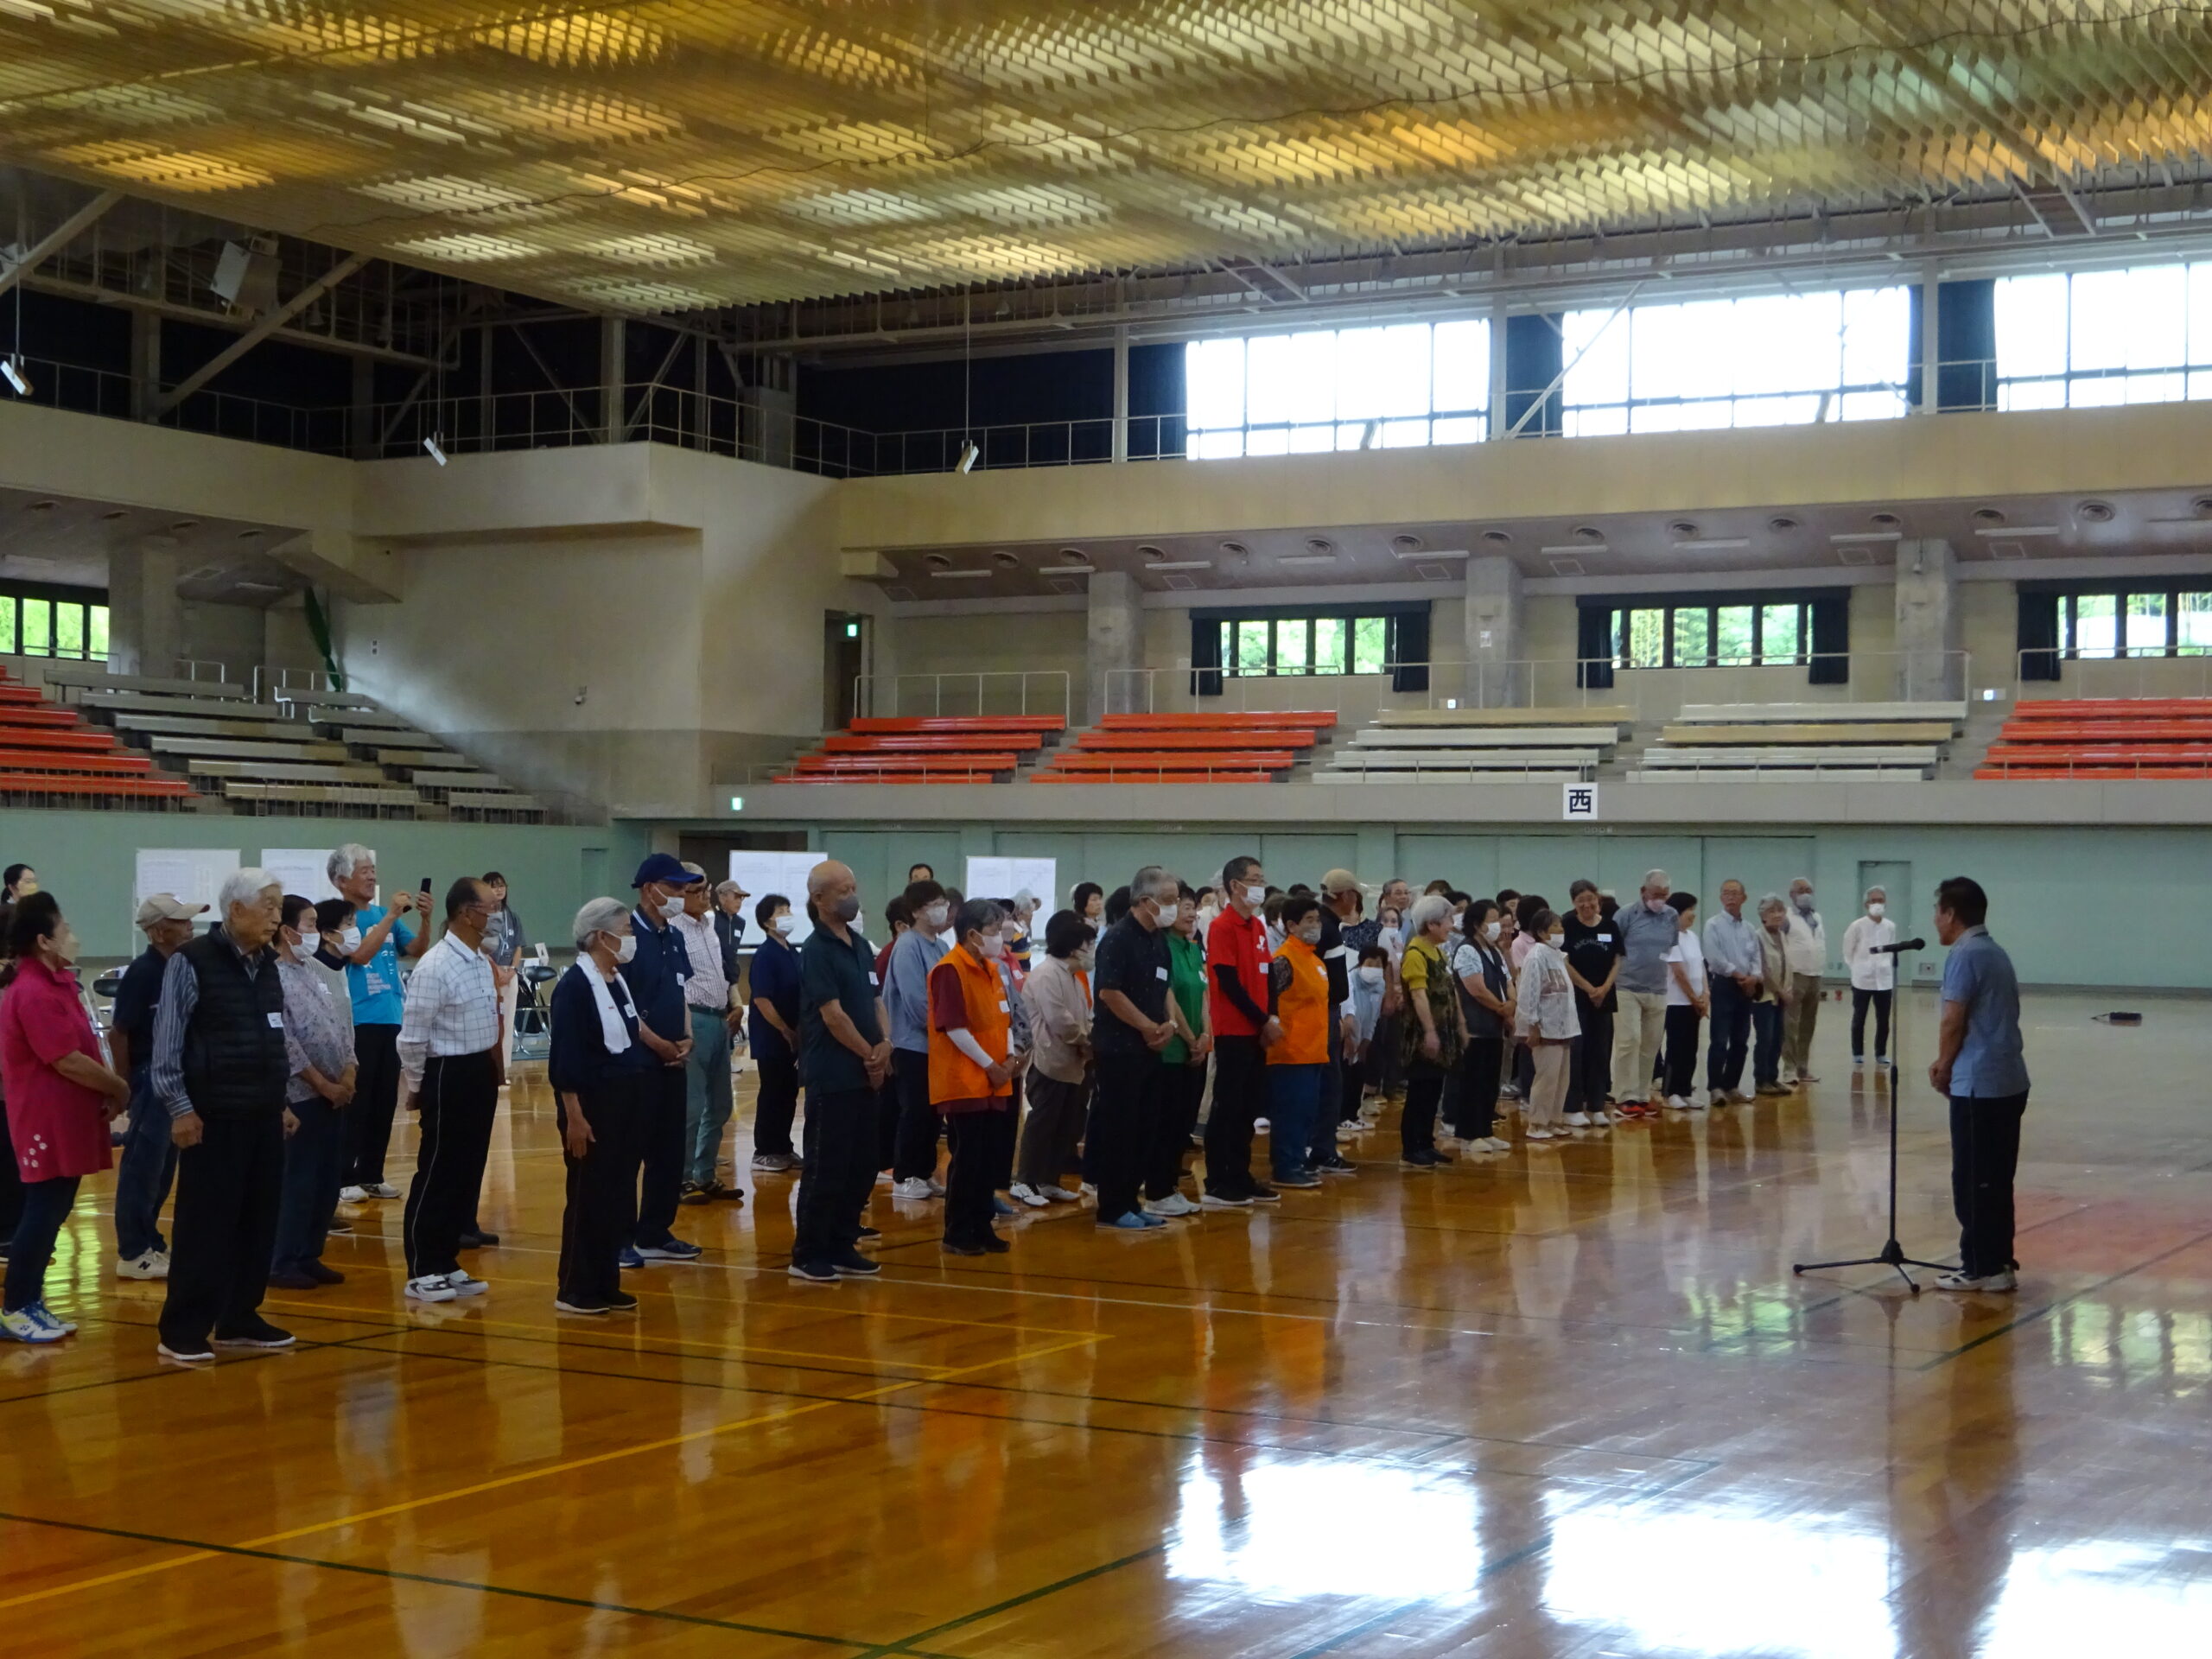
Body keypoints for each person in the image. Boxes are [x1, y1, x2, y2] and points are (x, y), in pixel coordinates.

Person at [150, 868, 294, 1362]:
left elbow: (274, 1037)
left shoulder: (269, 965)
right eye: (268, 906)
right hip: (211, 1116)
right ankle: (182, 1328)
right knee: (205, 1226)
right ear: (236, 909)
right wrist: (180, 1108)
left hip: (263, 1113)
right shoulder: (192, 961)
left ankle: (239, 1317)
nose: (276, 916)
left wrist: (281, 1102)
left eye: (279, 907)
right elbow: (167, 1043)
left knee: (258, 1221)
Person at [1, 895, 130, 1342]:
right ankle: (16, 1306)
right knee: (42, 1211)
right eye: (66, 928)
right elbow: (66, 1059)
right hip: (44, 1118)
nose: (73, 937)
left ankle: (32, 1300)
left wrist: (106, 1089)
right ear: (44, 940)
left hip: (69, 1114)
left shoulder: (57, 984)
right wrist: (118, 1086)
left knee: (55, 1210)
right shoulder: (31, 990)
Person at [395, 878, 505, 1303]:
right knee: (439, 1172)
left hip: (478, 1070)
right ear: (465, 912)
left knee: (466, 1170)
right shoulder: (436, 965)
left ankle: (446, 1260)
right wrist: (417, 1085)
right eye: (488, 908)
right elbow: (412, 1037)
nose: (495, 914)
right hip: (448, 1073)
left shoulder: (479, 959)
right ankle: (421, 1267)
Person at [549, 898, 652, 1315]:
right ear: (599, 936)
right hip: (591, 1106)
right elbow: (566, 1059)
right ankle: (575, 1287)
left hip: (624, 1103)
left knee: (615, 1195)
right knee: (588, 1195)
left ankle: (605, 1281)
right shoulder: (575, 987)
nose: (630, 938)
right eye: (625, 931)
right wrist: (574, 1117)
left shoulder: (615, 980)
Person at [788, 860, 888, 1284]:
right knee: (827, 1166)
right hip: (833, 1074)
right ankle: (809, 1252)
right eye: (843, 890)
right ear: (819, 899)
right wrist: (869, 1055)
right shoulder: (816, 950)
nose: (852, 896)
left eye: (853, 887)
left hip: (866, 1074)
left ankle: (842, 1242)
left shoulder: (861, 945)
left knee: (862, 1164)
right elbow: (833, 1015)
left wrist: (885, 1044)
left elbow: (876, 1000)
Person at [1930, 876, 2030, 1294]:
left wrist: (1943, 1065)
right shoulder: (1994, 951)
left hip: (1981, 1085)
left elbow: (1953, 1019)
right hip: (2009, 1080)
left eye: (1938, 911)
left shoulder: (1965, 954)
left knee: (1973, 1180)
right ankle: (1998, 1260)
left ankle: (1981, 1267)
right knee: (1996, 1178)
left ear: (1951, 914)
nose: (1935, 920)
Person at [109, 893, 205, 1281]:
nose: (189, 927)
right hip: (150, 1076)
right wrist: (127, 1084)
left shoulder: (180, 967)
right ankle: (133, 1251)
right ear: (159, 931)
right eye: (181, 922)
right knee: (143, 1167)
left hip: (173, 1076)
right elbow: (119, 1032)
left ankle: (150, 1241)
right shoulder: (144, 972)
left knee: (163, 1167)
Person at [329, 845, 428, 1204]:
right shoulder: (339, 917)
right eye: (364, 871)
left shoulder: (385, 915)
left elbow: (416, 949)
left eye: (373, 869)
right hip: (359, 1020)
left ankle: (372, 1173)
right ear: (341, 880)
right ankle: (344, 1176)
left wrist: (426, 919)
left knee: (385, 1102)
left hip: (391, 1017)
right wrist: (391, 917)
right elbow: (359, 955)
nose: (372, 876)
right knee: (357, 1101)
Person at [268, 895, 357, 1291]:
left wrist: (349, 1070)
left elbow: (338, 1024)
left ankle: (309, 1253)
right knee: (299, 1182)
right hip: (304, 1095)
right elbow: (286, 1041)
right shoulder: (273, 977)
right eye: (309, 924)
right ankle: (282, 1259)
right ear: (288, 931)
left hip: (335, 1093)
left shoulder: (314, 971)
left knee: (325, 1180)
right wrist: (322, 1084)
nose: (315, 932)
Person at [620, 855, 704, 1266]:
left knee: (669, 1151)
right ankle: (619, 1238)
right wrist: (657, 1043)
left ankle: (655, 1230)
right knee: (628, 1152)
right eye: (673, 887)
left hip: (674, 1059)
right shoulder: (626, 936)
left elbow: (680, 991)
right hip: (638, 1061)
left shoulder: (674, 936)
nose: (680, 894)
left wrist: (686, 1037)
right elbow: (622, 1003)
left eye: (683, 887)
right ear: (649, 888)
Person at [927, 899, 1024, 1255]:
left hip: (995, 1078)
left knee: (989, 1157)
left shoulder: (991, 969)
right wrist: (990, 1065)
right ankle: (957, 1230)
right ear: (972, 934)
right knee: (967, 1157)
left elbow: (1003, 1018)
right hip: (966, 1080)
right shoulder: (950, 969)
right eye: (994, 930)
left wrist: (1010, 1058)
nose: (1001, 936)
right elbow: (954, 1028)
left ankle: (982, 1225)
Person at [1090, 865, 1179, 1230]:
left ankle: (1131, 1200)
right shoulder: (1118, 938)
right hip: (1119, 1050)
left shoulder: (1158, 939)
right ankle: (1112, 1207)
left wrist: (1169, 1024)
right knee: (1120, 1130)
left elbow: (1165, 986)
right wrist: (1147, 1026)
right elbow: (1109, 993)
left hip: (1151, 1049)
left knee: (1145, 1129)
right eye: (1168, 900)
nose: (1174, 907)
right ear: (1145, 900)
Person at [1201, 855, 1274, 1208]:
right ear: (1235, 885)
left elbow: (1267, 975)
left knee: (1248, 1107)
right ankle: (1218, 1180)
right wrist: (1262, 1020)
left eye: (1261, 879)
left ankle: (1240, 1173)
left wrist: (1272, 1018)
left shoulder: (1257, 926)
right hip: (1234, 1030)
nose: (1260, 886)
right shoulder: (1222, 927)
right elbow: (1228, 982)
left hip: (1258, 1030)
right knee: (1228, 1106)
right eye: (1254, 879)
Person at [672, 862, 743, 1207]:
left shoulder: (710, 927)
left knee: (720, 1105)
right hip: (694, 1018)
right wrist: (683, 1027)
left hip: (719, 1019)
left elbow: (723, 972)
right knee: (693, 1106)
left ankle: (705, 1172)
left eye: (706, 890)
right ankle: (681, 1177)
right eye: (696, 891)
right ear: (679, 892)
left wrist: (735, 1002)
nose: (704, 897)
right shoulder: (674, 929)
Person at [1014, 910, 1092, 1206]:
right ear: (1073, 947)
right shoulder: (1047, 974)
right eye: (1088, 944)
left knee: (1065, 1124)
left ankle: (1049, 1180)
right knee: (1042, 1123)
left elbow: (1083, 1016)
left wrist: (1087, 1039)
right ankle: (1025, 1181)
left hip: (1073, 1061)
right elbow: (1060, 1020)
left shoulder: (1072, 977)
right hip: (1048, 1060)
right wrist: (1085, 1040)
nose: (1092, 951)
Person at [883, 878, 951, 1199]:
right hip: (913, 1044)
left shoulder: (941, 946)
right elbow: (915, 1002)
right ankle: (906, 1175)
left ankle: (925, 1171)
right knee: (915, 1110)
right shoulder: (908, 945)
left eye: (943, 903)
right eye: (933, 905)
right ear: (915, 912)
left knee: (934, 1113)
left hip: (939, 1045)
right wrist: (946, 1028)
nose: (941, 910)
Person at [1148, 886, 1210, 1215]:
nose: (1191, 914)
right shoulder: (1162, 948)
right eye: (1185, 907)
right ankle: (1158, 1190)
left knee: (1183, 1123)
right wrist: (1189, 1038)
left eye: (1193, 908)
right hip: (1171, 1050)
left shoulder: (1193, 948)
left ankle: (1170, 1187)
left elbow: (1203, 993)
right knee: (1166, 1124)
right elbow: (1167, 997)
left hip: (1196, 1050)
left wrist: (1205, 1036)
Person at [1263, 895, 1332, 1190]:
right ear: (1291, 925)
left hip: (1314, 1050)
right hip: (1290, 1052)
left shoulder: (1315, 961)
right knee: (1290, 1112)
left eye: (1318, 920)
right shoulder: (1283, 960)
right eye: (1309, 921)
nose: (1316, 926)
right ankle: (1285, 1166)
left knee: (1306, 1113)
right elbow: (1269, 1001)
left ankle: (1298, 1160)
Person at [1396, 893, 1465, 1168]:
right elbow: (1419, 995)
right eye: (1447, 920)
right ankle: (1411, 1148)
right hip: (1421, 1034)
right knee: (1420, 1091)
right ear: (1431, 924)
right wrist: (1430, 1032)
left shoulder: (1437, 951)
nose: (1451, 925)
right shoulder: (1415, 954)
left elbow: (1449, 989)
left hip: (1443, 1031)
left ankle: (1426, 1142)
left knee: (1433, 1089)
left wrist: (1460, 1023)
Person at [1608, 871, 1676, 1118]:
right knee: (1629, 1041)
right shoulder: (1626, 914)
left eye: (1664, 895)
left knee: (1651, 1045)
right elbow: (1613, 949)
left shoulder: (1671, 916)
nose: (1660, 900)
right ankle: (1624, 1096)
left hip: (1657, 989)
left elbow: (1671, 947)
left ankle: (1642, 1095)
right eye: (1656, 894)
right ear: (1643, 891)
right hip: (1626, 987)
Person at [1307, 871, 1363, 1175]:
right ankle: (1321, 1150)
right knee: (1328, 1083)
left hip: (1330, 1010)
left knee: (1330, 1081)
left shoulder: (1329, 926)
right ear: (1347, 896)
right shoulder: (1325, 928)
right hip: (1324, 1012)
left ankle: (1321, 1146)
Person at [746, 893, 804, 1172]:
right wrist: (784, 1029)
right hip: (772, 1037)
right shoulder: (766, 954)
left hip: (794, 1035)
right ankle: (765, 1151)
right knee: (772, 1092)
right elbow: (762, 999)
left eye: (788, 909)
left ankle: (783, 1147)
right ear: (767, 921)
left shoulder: (792, 951)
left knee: (788, 1093)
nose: (787, 915)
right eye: (781, 911)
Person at [1450, 900, 1513, 1153]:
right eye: (1493, 920)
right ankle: (1468, 1135)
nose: (1498, 925)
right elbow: (1476, 988)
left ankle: (1485, 1130)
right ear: (1477, 924)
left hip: (1495, 1028)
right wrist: (1501, 1008)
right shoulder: (1467, 950)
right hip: (1475, 1026)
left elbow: (1508, 980)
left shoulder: (1494, 950)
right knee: (1472, 1082)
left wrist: (1512, 1004)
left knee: (1490, 1082)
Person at [1513, 907, 1579, 1142]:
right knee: (1546, 1078)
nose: (1561, 930)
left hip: (1563, 1026)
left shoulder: (1558, 956)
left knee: (1561, 1079)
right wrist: (1532, 1024)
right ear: (1541, 932)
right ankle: (1537, 1123)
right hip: (1545, 1027)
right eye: (1555, 926)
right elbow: (1528, 993)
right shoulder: (1536, 956)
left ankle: (1554, 1120)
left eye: (1561, 925)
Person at [1560, 880, 1621, 1127]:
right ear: (1573, 903)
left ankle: (1596, 1106)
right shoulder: (1567, 925)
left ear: (1598, 899)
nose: (1587, 905)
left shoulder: (1610, 925)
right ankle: (1572, 1107)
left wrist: (1604, 988)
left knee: (1601, 1051)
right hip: (1576, 996)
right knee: (1576, 1051)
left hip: (1604, 997)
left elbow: (1617, 959)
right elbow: (1564, 960)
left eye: (1591, 899)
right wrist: (1588, 988)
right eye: (1580, 901)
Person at [1702, 879, 1761, 1108]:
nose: (1730, 897)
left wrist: (1753, 977)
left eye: (1735, 893)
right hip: (1724, 985)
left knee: (1741, 1039)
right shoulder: (1713, 925)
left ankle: (1732, 1085)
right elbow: (1714, 958)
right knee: (1719, 1039)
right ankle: (1716, 1087)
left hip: (1746, 987)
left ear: (1744, 898)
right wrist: (1738, 975)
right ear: (1720, 898)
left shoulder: (1749, 929)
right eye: (1726, 893)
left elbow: (1756, 957)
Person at [1660, 892, 1707, 1111]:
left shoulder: (1692, 937)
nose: (1693, 914)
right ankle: (1671, 1092)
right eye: (1689, 910)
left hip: (1695, 1003)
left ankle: (1685, 1090)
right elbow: (1679, 972)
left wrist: (1706, 994)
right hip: (1676, 1002)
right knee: (1676, 1048)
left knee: (1691, 1048)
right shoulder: (1670, 937)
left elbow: (1701, 967)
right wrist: (1694, 998)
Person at [1842, 887, 1898, 1069]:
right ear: (1866, 904)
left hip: (1884, 979)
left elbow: (1891, 949)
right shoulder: (1857, 926)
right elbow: (1848, 950)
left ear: (1885, 903)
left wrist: (1885, 966)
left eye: (1880, 900)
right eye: (1873, 901)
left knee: (1883, 1019)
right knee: (1860, 1017)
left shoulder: (1890, 926)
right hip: (1862, 979)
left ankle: (1880, 1053)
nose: (1877, 904)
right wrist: (1857, 968)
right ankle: (1857, 1053)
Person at [480, 872, 531, 1074]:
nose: (499, 889)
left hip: (509, 973)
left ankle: (504, 1069)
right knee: (490, 1022)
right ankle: (488, 1068)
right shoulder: (482, 916)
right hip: (488, 972)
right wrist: (495, 970)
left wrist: (512, 970)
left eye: (502, 885)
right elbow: (480, 947)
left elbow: (518, 946)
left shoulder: (512, 916)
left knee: (507, 1022)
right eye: (494, 886)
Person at [1781, 878, 1827, 1084]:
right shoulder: (1786, 917)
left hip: (1815, 974)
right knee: (1791, 1024)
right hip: (1795, 974)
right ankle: (1789, 1069)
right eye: (1801, 890)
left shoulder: (1817, 917)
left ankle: (1803, 1067)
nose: (1805, 893)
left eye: (1809, 890)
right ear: (1792, 895)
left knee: (1808, 1023)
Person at [1751, 895, 1794, 1095]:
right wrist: (1780, 991)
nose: (1777, 915)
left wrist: (1787, 990)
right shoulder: (1758, 937)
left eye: (1780, 910)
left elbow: (1787, 965)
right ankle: (1761, 1080)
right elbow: (1764, 969)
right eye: (1772, 911)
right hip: (1765, 996)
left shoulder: (1782, 935)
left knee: (1778, 1038)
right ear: (1763, 916)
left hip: (1782, 996)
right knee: (1765, 1039)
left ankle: (1772, 1077)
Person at [1346, 944, 1386, 1129]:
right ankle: (1341, 1118)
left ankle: (1353, 1115)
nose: (1375, 968)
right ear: (1361, 963)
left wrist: (1367, 1039)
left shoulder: (1380, 984)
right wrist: (1351, 1039)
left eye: (1379, 965)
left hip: (1364, 1035)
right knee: (1346, 1076)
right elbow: (1349, 1011)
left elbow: (1375, 1014)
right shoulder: (1350, 979)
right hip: (1348, 1035)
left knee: (1359, 1074)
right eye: (1370, 963)